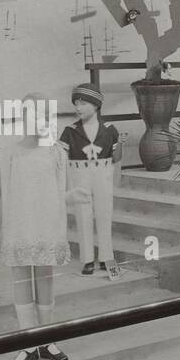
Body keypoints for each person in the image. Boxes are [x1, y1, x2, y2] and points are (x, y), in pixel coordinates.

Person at [0, 93, 91, 360]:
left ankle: (47, 340)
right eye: (30, 115)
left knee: (45, 280)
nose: (36, 121)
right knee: (21, 281)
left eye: (42, 116)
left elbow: (61, 192)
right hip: (19, 225)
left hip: (47, 225)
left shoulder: (56, 152)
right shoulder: (10, 152)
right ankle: (28, 345)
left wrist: (73, 195)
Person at [58, 83, 123, 279]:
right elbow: (61, 157)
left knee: (104, 213)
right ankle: (87, 259)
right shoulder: (70, 131)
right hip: (79, 173)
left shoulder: (109, 129)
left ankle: (106, 256)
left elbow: (116, 157)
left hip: (103, 173)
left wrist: (121, 148)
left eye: (83, 103)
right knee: (82, 214)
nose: (78, 108)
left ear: (96, 105)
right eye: (76, 103)